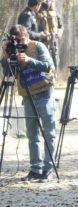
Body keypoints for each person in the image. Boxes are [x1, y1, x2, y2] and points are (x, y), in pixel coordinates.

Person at [3, 25, 56, 183]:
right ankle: (35, 168)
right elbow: (8, 72)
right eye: (16, 40)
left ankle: (48, 169)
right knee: (32, 134)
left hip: (44, 93)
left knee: (48, 133)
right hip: (27, 95)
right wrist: (6, 54)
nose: (19, 43)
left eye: (21, 40)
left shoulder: (37, 46)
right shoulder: (12, 51)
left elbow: (48, 66)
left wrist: (29, 60)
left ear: (27, 36)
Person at [37, 0, 63, 71]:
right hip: (42, 41)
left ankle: (55, 76)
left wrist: (60, 32)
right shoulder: (37, 8)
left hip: (53, 40)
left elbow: (61, 25)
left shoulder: (54, 10)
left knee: (55, 59)